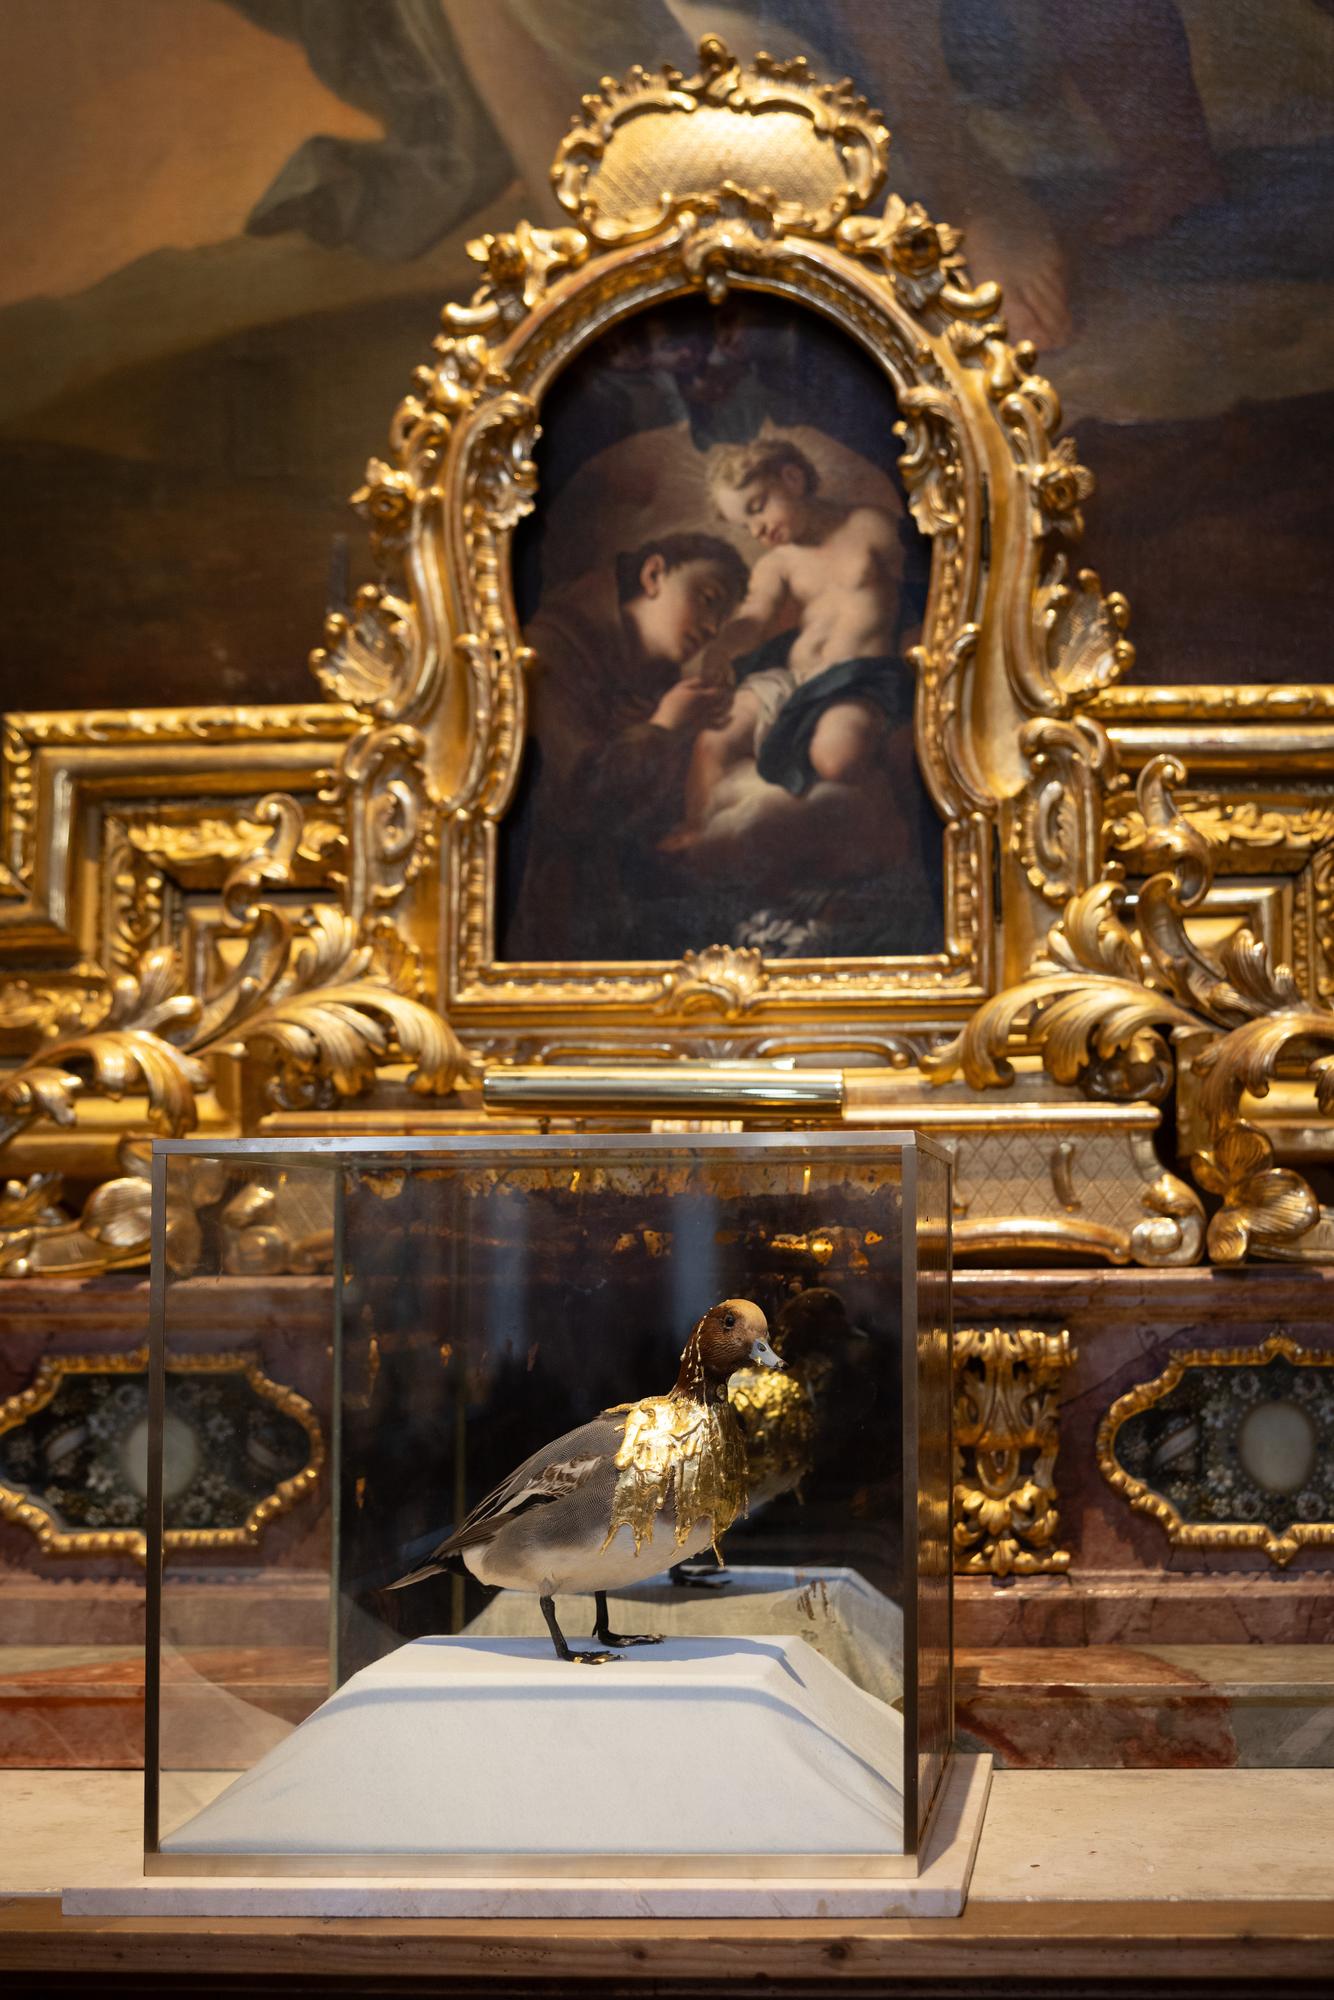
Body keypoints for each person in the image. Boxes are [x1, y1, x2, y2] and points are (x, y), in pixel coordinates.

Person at [503, 531, 747, 959]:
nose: (711, 628)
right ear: (654, 575)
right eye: (708, 599)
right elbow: (578, 798)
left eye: (722, 619)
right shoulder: (554, 649)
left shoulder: (655, 681)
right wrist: (665, 726)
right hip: (549, 904)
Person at [677, 438, 910, 840]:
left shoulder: (870, 526)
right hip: (792, 679)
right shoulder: (778, 563)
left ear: (792, 478)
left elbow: (925, 593)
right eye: (745, 526)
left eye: (757, 507)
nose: (757, 530)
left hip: (859, 680)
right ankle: (699, 837)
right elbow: (754, 617)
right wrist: (723, 648)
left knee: (835, 759)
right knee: (712, 743)